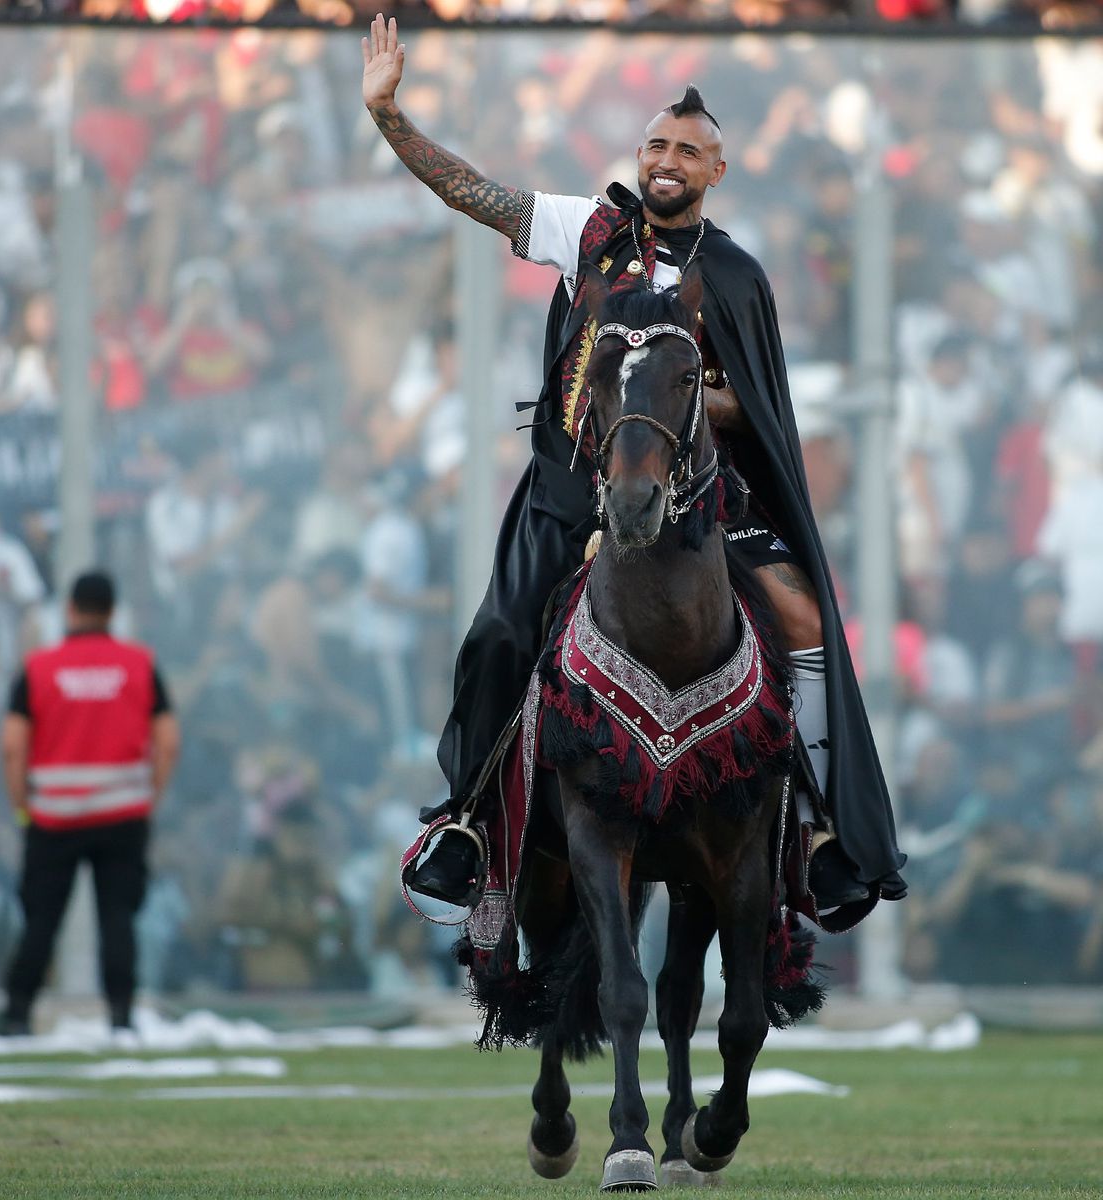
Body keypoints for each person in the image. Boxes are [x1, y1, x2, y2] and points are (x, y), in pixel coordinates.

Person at [361, 15, 905, 912]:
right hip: (577, 491)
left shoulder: (735, 274)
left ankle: (813, 827)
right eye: (657, 142)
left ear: (714, 172)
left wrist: (677, 401)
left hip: (703, 495)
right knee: (501, 632)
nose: (668, 158)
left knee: (803, 617)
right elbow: (471, 192)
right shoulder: (587, 230)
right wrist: (389, 115)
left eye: (689, 150)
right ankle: (466, 824)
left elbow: (755, 408)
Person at [0, 571, 180, 1035]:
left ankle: (17, 1015)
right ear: (113, 613)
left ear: (70, 609)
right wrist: (148, 796)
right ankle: (121, 1017)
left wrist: (24, 807)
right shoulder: (139, 664)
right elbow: (169, 740)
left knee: (41, 919)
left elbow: (12, 745)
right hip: (123, 814)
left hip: (54, 816)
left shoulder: (39, 667)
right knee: (118, 918)